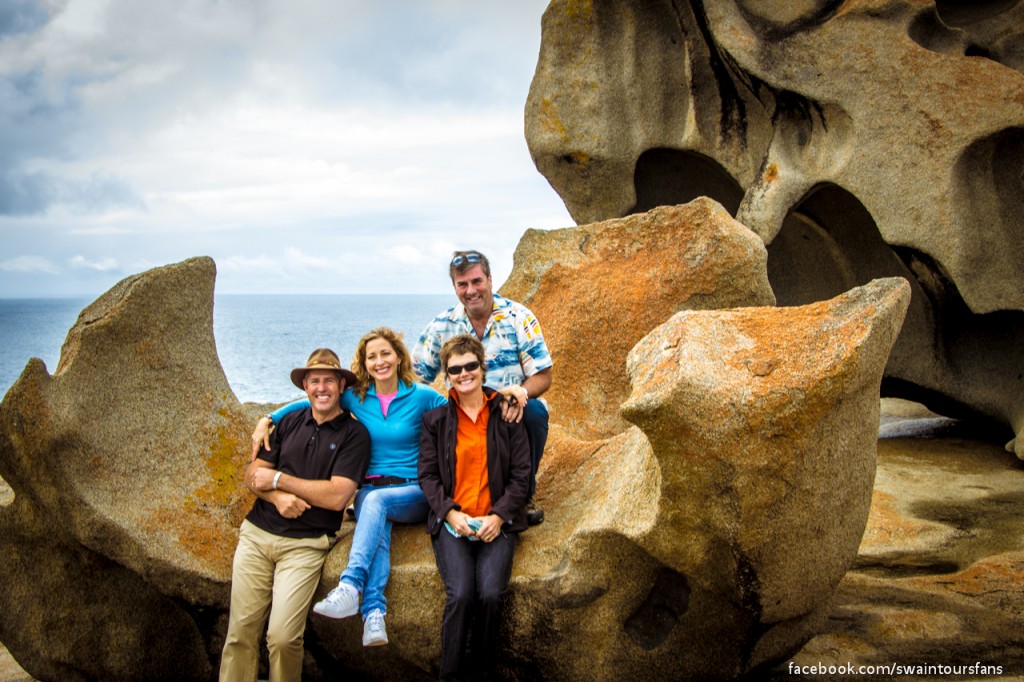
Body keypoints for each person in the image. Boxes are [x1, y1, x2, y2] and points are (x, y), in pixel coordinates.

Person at [250, 328, 446, 646]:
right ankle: (373, 616)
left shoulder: (421, 396)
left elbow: (461, 411)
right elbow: (308, 400)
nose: (379, 361)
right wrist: (267, 418)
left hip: (413, 490)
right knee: (376, 521)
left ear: (399, 357)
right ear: (364, 363)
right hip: (370, 490)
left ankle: (350, 585)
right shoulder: (356, 397)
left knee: (376, 504)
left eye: (385, 353)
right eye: (372, 356)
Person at [220, 348, 370, 682]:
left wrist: (279, 480)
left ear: (341, 386)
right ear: (305, 385)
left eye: (329, 381)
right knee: (240, 633)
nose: (321, 388)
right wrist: (276, 498)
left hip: (305, 545)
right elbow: (252, 476)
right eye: (314, 380)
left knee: (283, 638)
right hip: (257, 536)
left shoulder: (355, 435)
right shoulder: (286, 421)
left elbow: (336, 497)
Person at [419, 334, 531, 682]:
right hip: (455, 522)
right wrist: (450, 514)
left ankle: (483, 672)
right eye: (456, 369)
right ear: (447, 376)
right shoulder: (435, 420)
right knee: (462, 594)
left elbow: (521, 476)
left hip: (495, 522)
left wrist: (499, 517)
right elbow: (428, 476)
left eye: (471, 366)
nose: (464, 373)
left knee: (491, 594)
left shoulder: (506, 413)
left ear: (482, 368)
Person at [413, 250, 552, 526]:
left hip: (505, 413)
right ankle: (445, 494)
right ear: (454, 287)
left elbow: (543, 375)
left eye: (477, 281)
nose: (471, 290)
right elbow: (417, 375)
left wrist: (519, 394)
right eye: (462, 284)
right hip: (461, 416)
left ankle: (523, 494)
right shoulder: (442, 325)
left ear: (490, 279)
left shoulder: (518, 317)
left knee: (535, 412)